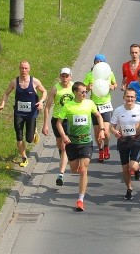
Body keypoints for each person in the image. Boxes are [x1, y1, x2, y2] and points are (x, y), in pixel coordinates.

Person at [56, 81, 105, 212]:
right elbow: (59, 123)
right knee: (73, 169)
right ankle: (74, 177)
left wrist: (101, 130)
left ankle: (80, 199)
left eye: (86, 92)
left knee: (83, 169)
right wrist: (64, 135)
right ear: (75, 92)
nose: (85, 94)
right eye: (82, 92)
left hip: (86, 142)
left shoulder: (90, 103)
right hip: (72, 142)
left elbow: (99, 116)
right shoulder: (68, 106)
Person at [0, 60, 47, 168]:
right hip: (19, 113)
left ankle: (34, 131)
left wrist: (41, 102)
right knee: (19, 137)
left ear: (29, 69)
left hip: (31, 113)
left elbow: (44, 91)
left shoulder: (34, 81)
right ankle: (24, 158)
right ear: (19, 68)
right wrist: (2, 104)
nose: (23, 70)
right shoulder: (14, 82)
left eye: (26, 68)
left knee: (29, 139)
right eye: (22, 68)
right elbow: (6, 93)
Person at [110, 87, 140, 200]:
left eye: (132, 97)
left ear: (135, 98)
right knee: (125, 169)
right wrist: (114, 132)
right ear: (124, 97)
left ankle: (138, 168)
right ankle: (129, 189)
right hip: (123, 141)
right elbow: (112, 126)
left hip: (136, 140)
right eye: (128, 96)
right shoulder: (118, 110)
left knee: (132, 165)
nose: (130, 99)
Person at [83, 54, 117, 162]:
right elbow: (84, 90)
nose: (98, 63)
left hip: (106, 104)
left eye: (100, 62)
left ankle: (106, 146)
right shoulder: (90, 75)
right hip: (94, 105)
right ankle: (100, 149)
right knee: (97, 132)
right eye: (96, 62)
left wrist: (113, 86)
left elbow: (115, 84)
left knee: (106, 131)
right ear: (94, 63)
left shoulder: (109, 73)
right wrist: (89, 87)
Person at [41, 67, 72, 184]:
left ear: (70, 77)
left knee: (65, 145)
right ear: (60, 76)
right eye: (63, 76)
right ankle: (62, 156)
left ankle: (60, 174)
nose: (65, 78)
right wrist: (45, 125)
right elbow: (47, 107)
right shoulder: (55, 89)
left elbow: (81, 97)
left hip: (69, 119)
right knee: (60, 144)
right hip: (57, 120)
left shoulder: (74, 87)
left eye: (67, 76)